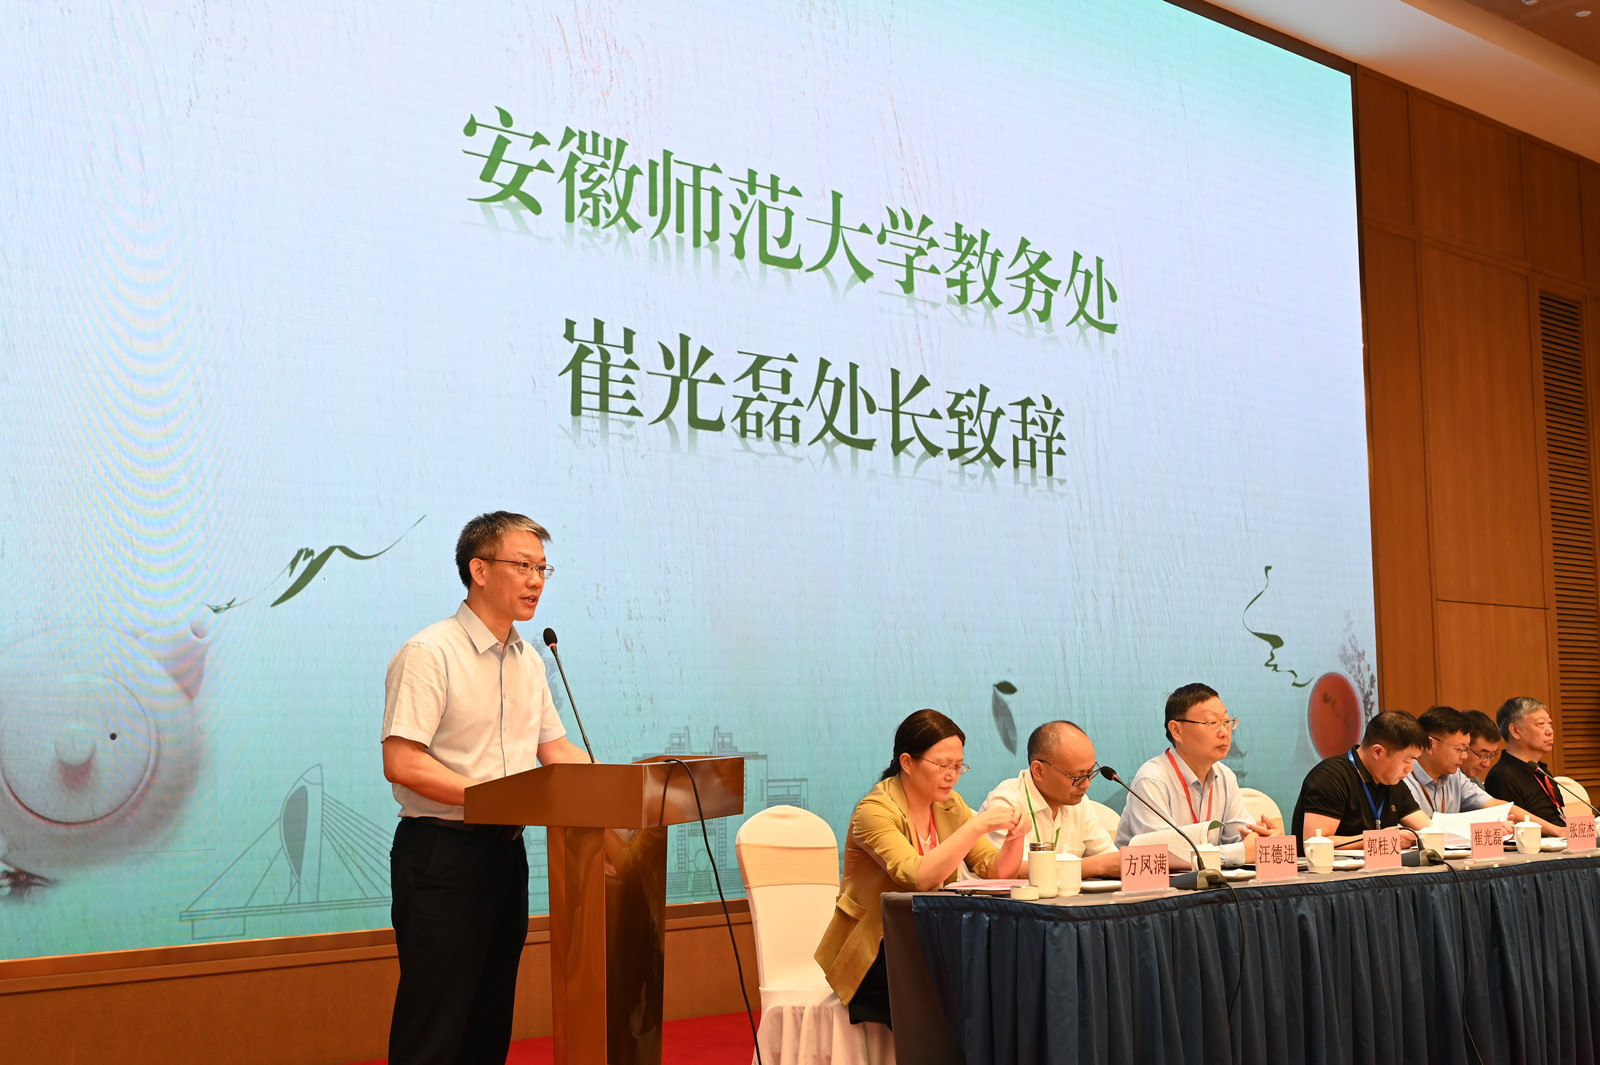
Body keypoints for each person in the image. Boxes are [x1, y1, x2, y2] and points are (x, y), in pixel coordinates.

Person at [380, 512, 592, 1065]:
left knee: (488, 1022)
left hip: (507, 856)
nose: (536, 580)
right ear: (478, 570)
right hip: (442, 855)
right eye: (523, 566)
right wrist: (487, 797)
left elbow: (555, 751)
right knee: (435, 1027)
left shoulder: (530, 660)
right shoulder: (430, 653)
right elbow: (402, 762)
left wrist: (616, 781)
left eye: (543, 569)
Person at [814, 709, 1024, 1027]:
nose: (952, 776)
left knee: (1003, 969)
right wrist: (976, 826)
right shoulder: (874, 811)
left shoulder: (951, 806)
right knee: (972, 988)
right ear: (907, 762)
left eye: (958, 766)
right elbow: (917, 876)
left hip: (931, 939)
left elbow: (995, 870)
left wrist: (1016, 836)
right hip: (876, 950)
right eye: (942, 765)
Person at [1113, 683, 1277, 867]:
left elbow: (1242, 840)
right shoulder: (1152, 780)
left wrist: (1261, 840)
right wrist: (1240, 852)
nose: (1224, 732)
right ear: (1177, 730)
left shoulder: (1225, 777)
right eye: (1212, 723)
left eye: (1226, 722)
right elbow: (1161, 856)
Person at [976, 720, 1120, 878]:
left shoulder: (1079, 802)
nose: (1086, 785)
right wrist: (1098, 866)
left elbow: (1110, 858)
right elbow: (1012, 871)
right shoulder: (1006, 802)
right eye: (1077, 777)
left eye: (1090, 773)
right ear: (1038, 771)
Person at [1291, 710, 1432, 847]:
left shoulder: (1394, 783)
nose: (1410, 769)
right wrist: (1380, 840)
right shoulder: (1330, 777)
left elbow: (1429, 829)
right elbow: (1315, 842)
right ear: (1378, 751)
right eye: (1407, 761)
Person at [1403, 706, 1519, 829]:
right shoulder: (1402, 779)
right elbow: (1427, 831)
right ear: (1430, 744)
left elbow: (1496, 806)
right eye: (1459, 749)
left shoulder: (1455, 776)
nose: (1464, 756)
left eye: (1466, 749)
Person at [1484, 696, 1568, 831]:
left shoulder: (1540, 770)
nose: (1550, 731)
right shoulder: (1502, 776)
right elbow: (1516, 832)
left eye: (1550, 723)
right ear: (1515, 731)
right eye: (1541, 724)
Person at [1460, 709, 1504, 785]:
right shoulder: (1443, 782)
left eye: (1491, 755)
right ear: (1463, 747)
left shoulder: (1475, 782)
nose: (1487, 764)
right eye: (1482, 755)